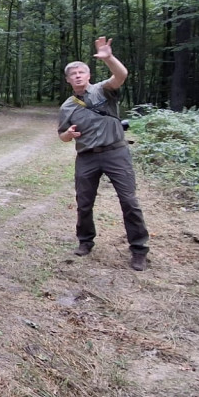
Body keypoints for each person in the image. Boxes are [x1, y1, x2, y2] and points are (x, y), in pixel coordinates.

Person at [58, 37, 149, 271]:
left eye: (81, 72)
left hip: (115, 153)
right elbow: (62, 136)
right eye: (73, 73)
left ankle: (139, 250)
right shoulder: (67, 106)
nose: (78, 75)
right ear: (68, 79)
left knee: (129, 201)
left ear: (88, 75)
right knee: (84, 203)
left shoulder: (103, 91)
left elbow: (121, 76)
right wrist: (68, 134)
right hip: (87, 157)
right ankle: (85, 241)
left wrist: (109, 58)